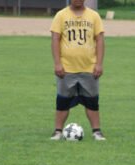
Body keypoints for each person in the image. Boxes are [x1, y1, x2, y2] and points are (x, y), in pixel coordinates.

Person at [49, 0, 106, 141]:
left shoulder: (94, 16)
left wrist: (99, 64)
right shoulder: (61, 15)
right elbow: (55, 39)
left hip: (89, 68)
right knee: (62, 101)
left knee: (92, 101)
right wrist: (57, 63)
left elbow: (99, 40)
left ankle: (96, 131)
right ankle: (57, 131)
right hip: (66, 68)